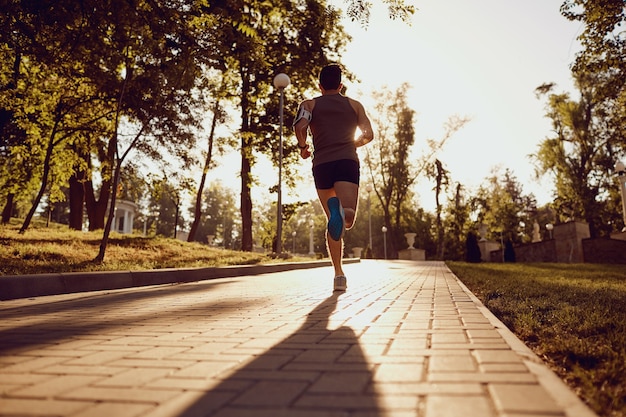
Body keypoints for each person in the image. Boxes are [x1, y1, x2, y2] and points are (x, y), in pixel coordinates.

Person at [292, 63, 374, 292]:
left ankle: (339, 275)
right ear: (340, 85)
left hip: (322, 165)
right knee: (347, 219)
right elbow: (369, 134)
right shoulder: (355, 105)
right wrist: (352, 143)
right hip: (347, 162)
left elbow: (300, 127)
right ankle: (342, 212)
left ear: (319, 85)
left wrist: (303, 148)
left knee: (332, 222)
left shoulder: (309, 104)